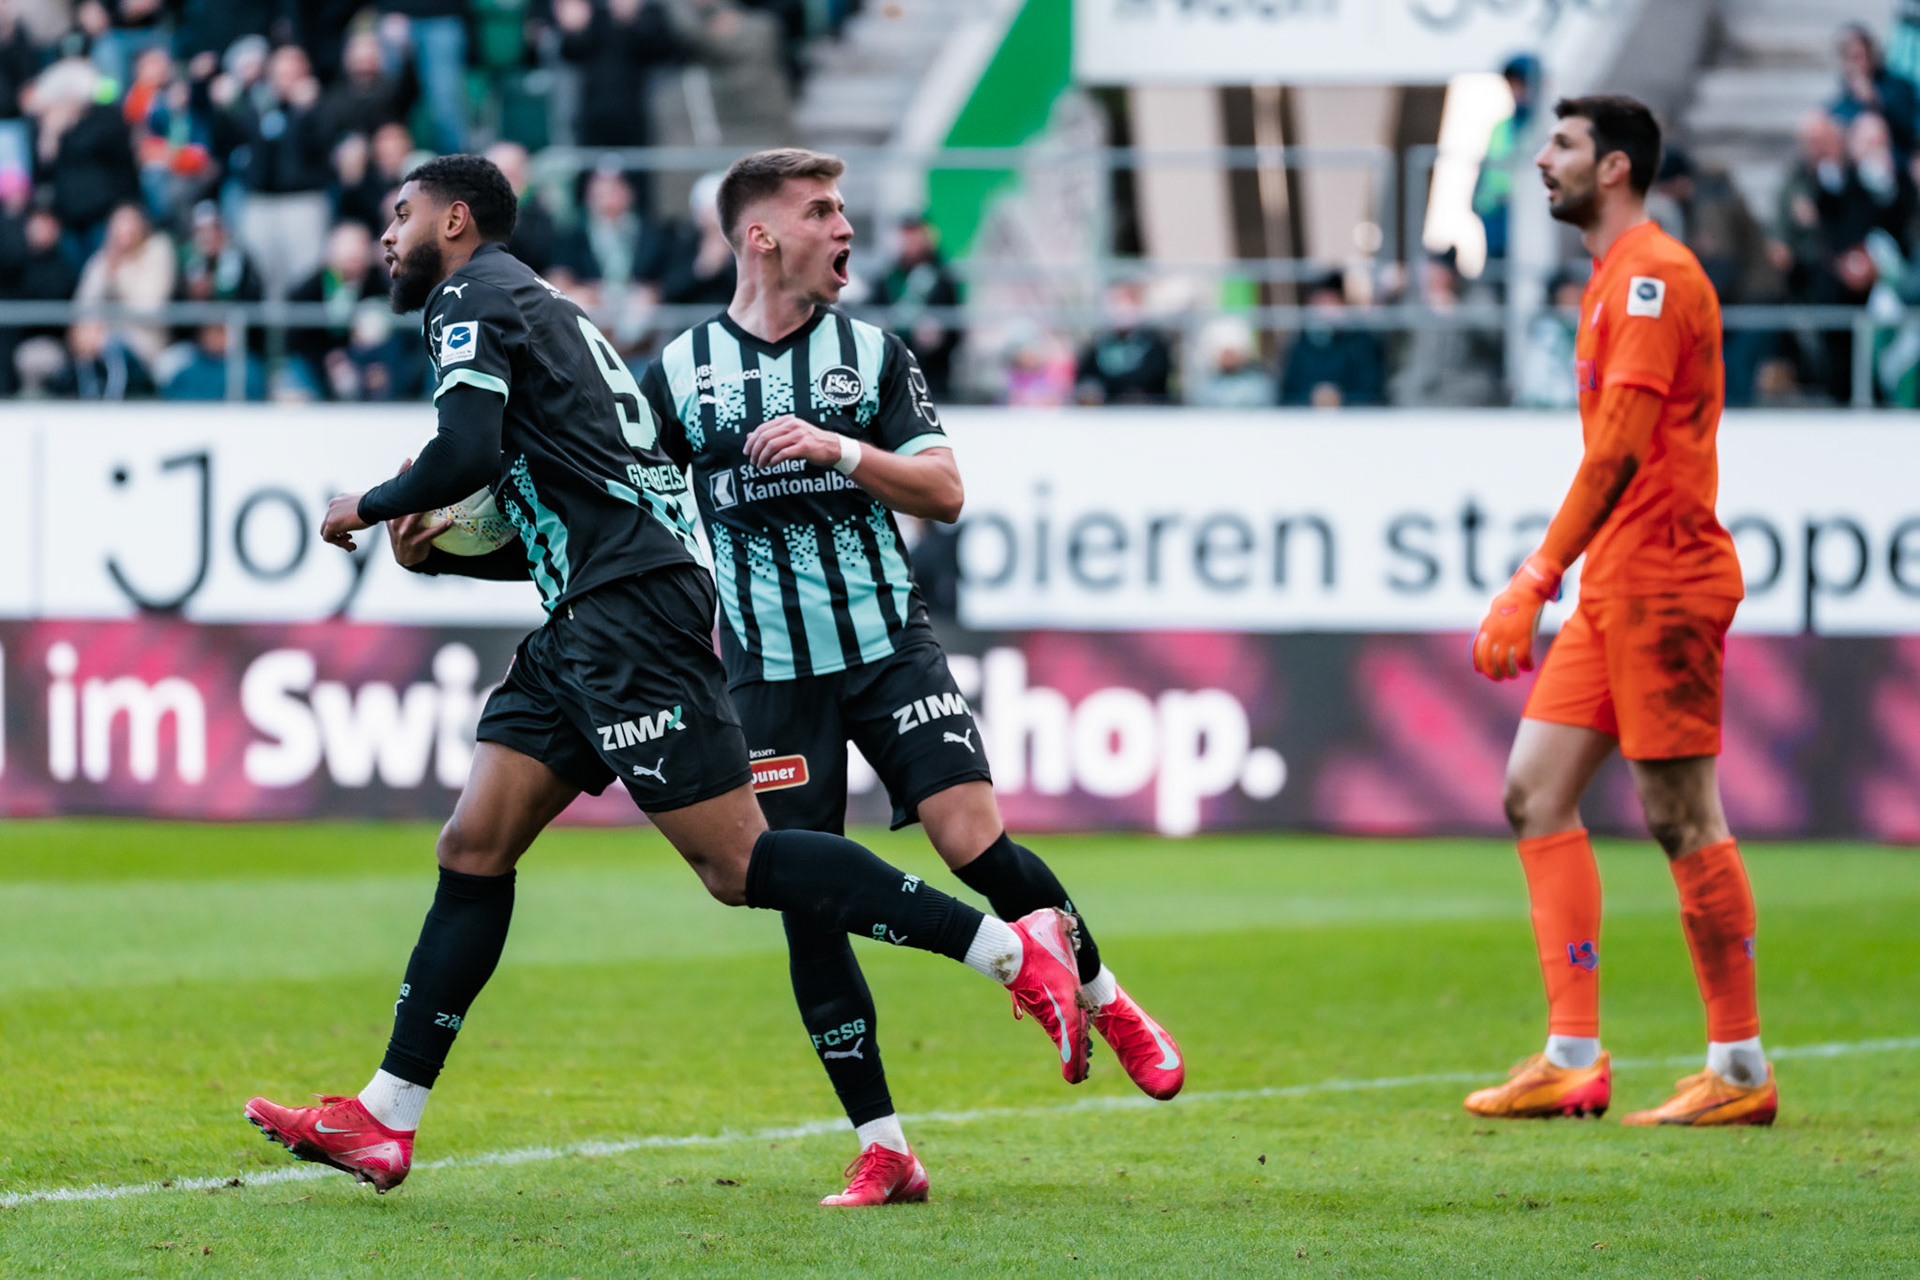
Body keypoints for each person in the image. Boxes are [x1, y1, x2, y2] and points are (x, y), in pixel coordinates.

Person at [243, 154, 1097, 1198]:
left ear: (455, 221)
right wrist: (449, 552)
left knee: (739, 864)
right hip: (591, 610)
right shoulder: (547, 312)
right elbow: (575, 500)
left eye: (402, 213)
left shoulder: (470, 298)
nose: (387, 235)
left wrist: (368, 505)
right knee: (474, 843)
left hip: (628, 615)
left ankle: (1013, 953)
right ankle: (388, 1115)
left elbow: (462, 451)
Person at [637, 148, 1184, 1209]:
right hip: (769, 675)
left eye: (843, 209)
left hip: (888, 645)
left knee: (972, 839)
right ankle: (885, 1147)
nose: (846, 229)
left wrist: (837, 449)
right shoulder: (679, 372)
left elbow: (944, 490)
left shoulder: (871, 355)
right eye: (822, 211)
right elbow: (628, 497)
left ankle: (1105, 997)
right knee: (807, 901)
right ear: (761, 235)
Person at [1463, 95, 1773, 1128]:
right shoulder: (1610, 276)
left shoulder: (1653, 277)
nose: (1542, 159)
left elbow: (1619, 451)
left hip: (1665, 583)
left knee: (1683, 816)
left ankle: (1739, 1069)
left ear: (1615, 168)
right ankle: (1571, 1058)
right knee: (1533, 791)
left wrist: (1535, 575)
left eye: (1562, 145)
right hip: (1614, 588)